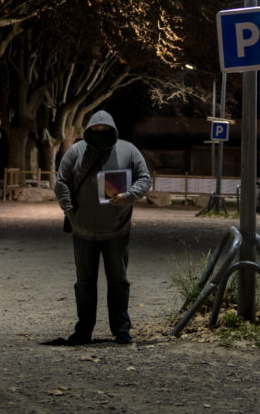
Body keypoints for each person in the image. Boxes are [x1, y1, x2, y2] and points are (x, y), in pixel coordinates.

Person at [54, 110, 151, 346]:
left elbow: (145, 179)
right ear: (88, 132)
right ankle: (84, 330)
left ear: (113, 131)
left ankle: (121, 329)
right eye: (95, 131)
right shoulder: (76, 152)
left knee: (119, 281)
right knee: (84, 283)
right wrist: (71, 212)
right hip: (83, 231)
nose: (100, 134)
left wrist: (128, 196)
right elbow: (61, 182)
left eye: (104, 131)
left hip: (117, 230)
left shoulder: (128, 150)